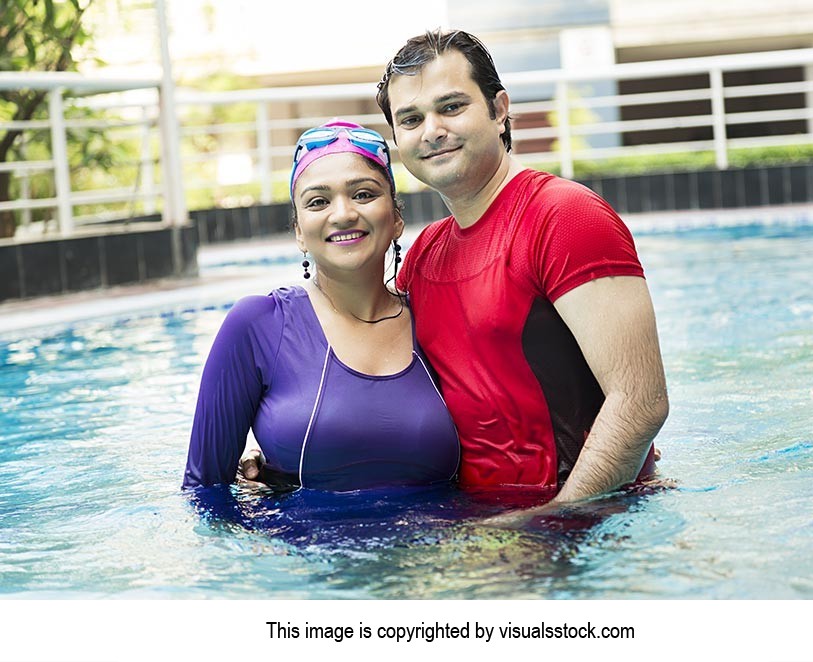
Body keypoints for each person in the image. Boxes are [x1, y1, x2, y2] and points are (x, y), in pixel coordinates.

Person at [372, 30, 669, 507]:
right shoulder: (423, 256)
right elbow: (386, 390)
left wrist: (552, 520)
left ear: (499, 109)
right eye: (411, 119)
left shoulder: (564, 216)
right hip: (484, 527)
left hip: (592, 523)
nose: (431, 130)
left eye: (451, 107)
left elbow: (641, 402)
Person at [182, 120, 459, 491]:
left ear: (395, 218)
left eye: (363, 194)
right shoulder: (258, 326)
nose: (343, 213)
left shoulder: (441, 320)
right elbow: (205, 494)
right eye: (318, 201)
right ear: (299, 231)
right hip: (300, 548)